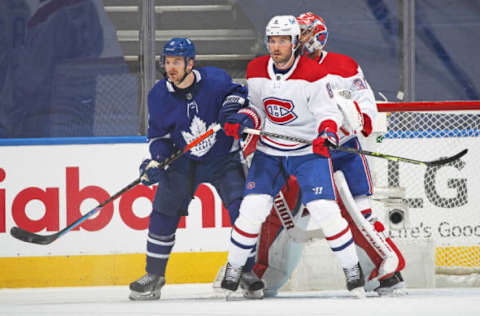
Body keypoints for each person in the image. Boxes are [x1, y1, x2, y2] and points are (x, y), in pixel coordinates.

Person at [251, 12, 405, 297]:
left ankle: (382, 273)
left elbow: (364, 101)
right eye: (300, 34)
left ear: (319, 35)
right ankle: (260, 275)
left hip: (341, 153)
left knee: (360, 215)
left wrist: (362, 120)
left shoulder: (342, 65)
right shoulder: (283, 68)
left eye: (307, 33)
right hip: (299, 153)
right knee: (277, 212)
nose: (303, 40)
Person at [220, 15, 366, 298]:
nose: (276, 47)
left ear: (295, 43)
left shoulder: (312, 73)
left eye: (283, 41)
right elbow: (257, 109)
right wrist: (242, 119)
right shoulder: (256, 69)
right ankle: (234, 267)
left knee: (326, 211)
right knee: (251, 210)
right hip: (269, 153)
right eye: (272, 41)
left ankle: (352, 270)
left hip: (308, 151)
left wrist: (327, 133)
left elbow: (328, 113)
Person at [128, 37, 263, 300]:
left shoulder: (215, 79)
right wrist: (157, 159)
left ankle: (246, 271)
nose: (171, 67)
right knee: (163, 212)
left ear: (190, 63)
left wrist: (232, 113)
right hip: (183, 163)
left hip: (224, 158)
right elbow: (159, 136)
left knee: (242, 211)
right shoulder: (158, 95)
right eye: (167, 62)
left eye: (176, 62)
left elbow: (238, 94)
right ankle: (154, 274)